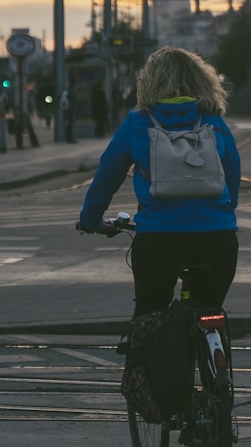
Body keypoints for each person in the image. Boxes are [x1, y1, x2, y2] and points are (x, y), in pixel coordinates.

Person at [78, 46, 241, 318]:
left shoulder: (137, 123)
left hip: (157, 239)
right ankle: (214, 349)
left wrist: (91, 219)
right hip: (216, 238)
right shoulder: (213, 121)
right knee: (209, 311)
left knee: (149, 314)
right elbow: (232, 178)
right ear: (202, 80)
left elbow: (106, 178)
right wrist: (221, 215)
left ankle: (146, 356)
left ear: (148, 82)